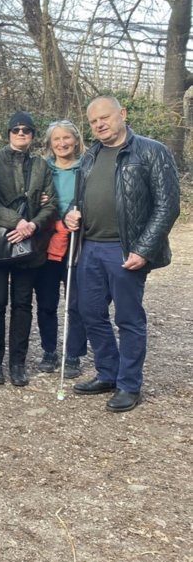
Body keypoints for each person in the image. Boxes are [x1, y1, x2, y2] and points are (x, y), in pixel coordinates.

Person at [65, 95, 180, 412]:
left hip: (126, 249)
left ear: (123, 114)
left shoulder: (151, 151)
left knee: (128, 319)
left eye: (104, 117)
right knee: (90, 314)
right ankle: (108, 372)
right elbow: (78, 201)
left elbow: (168, 206)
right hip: (90, 248)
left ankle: (130, 385)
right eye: (93, 121)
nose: (99, 124)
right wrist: (71, 215)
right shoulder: (89, 157)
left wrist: (144, 249)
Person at [0, 113, 57, 387]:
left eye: (27, 130)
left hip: (30, 246)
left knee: (23, 304)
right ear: (8, 133)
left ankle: (18, 363)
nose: (21, 134)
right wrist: (17, 222)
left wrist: (32, 226)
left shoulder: (42, 165)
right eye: (16, 129)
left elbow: (52, 203)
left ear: (34, 135)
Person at [33, 120, 86, 376]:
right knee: (46, 301)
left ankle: (73, 354)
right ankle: (49, 350)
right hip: (47, 242)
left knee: (76, 301)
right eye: (57, 139)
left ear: (76, 140)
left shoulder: (88, 168)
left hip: (78, 242)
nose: (62, 143)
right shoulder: (42, 168)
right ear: (50, 143)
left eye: (67, 138)